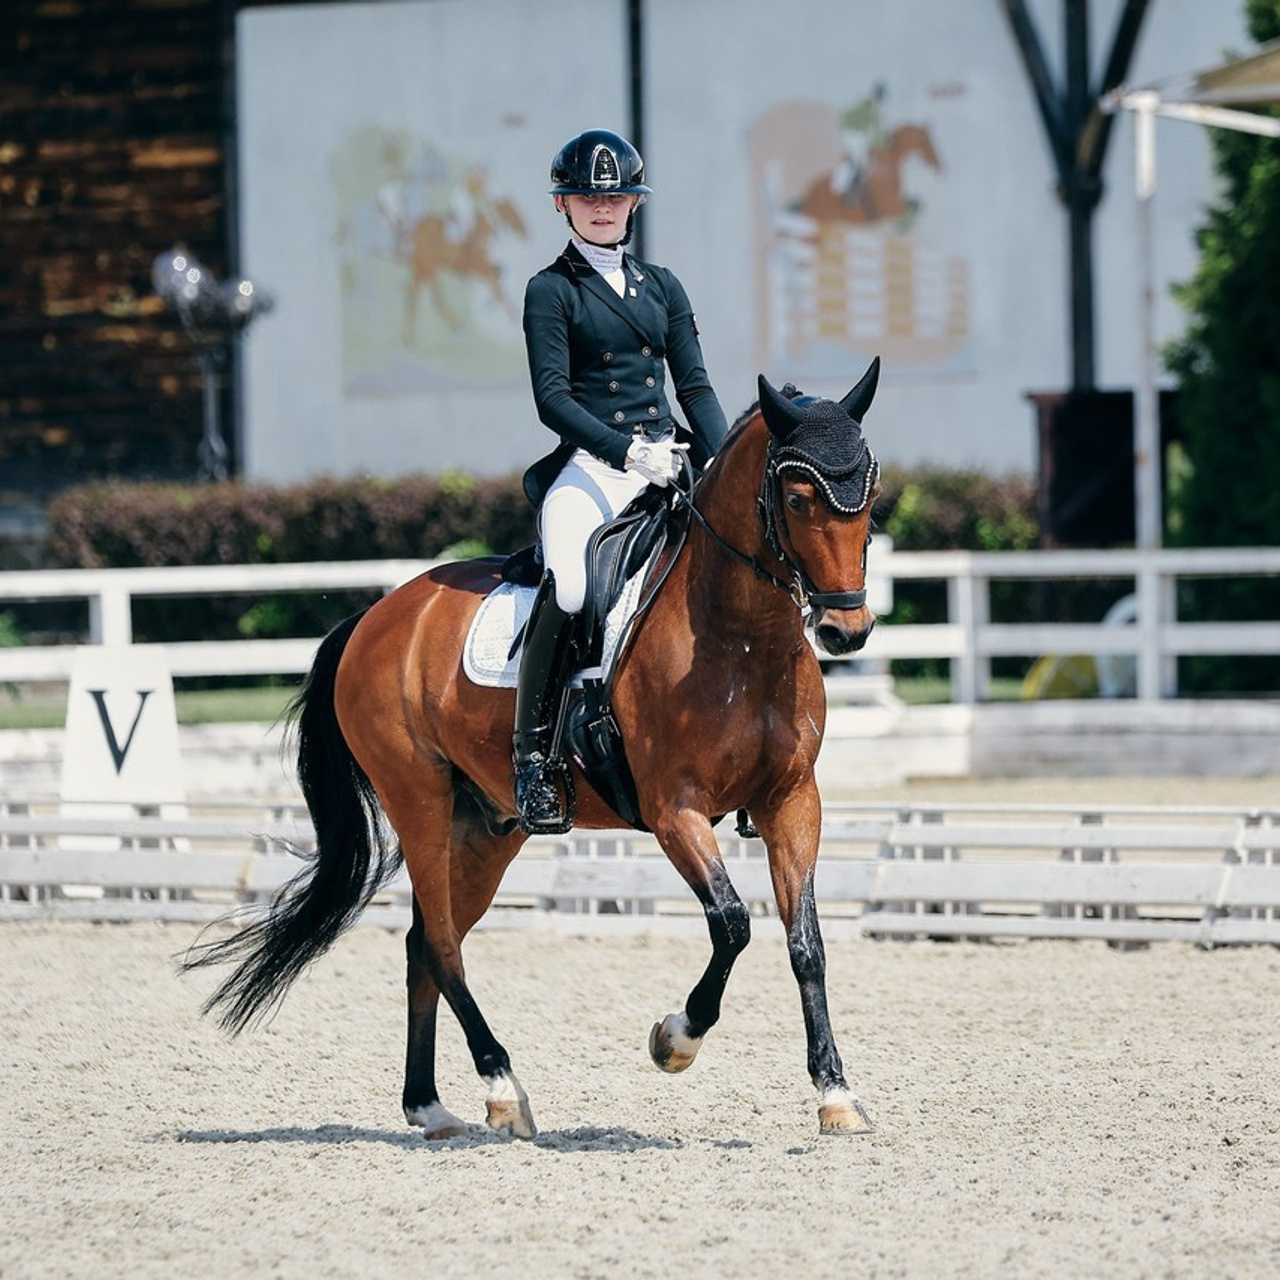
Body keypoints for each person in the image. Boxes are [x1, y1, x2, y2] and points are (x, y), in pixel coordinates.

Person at [512, 127, 728, 833]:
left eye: (614, 198)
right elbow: (553, 399)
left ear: (634, 204)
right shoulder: (551, 290)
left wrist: (720, 463)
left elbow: (694, 388)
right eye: (587, 198)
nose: (601, 208)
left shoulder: (662, 286)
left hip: (670, 462)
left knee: (743, 561)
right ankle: (533, 757)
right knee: (572, 585)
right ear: (563, 204)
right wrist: (627, 452)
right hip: (596, 468)